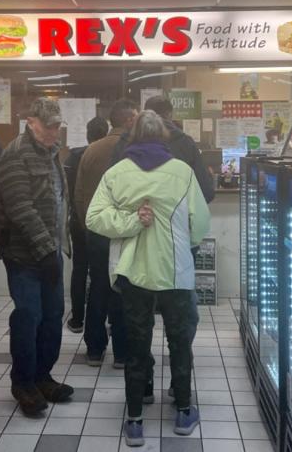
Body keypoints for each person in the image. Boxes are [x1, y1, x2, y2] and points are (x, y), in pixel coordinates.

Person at [85, 110, 211, 447]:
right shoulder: (182, 172)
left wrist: (130, 223)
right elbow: (200, 225)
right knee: (179, 342)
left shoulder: (116, 173)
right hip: (175, 273)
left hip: (132, 271)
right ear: (164, 137)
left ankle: (136, 419)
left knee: (137, 346)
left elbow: (94, 218)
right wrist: (184, 244)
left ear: (133, 135)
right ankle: (184, 411)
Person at [0, 98, 74, 417]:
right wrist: (45, 253)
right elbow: (21, 209)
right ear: (31, 122)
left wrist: (58, 248)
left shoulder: (52, 153)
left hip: (50, 251)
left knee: (53, 316)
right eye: (49, 125)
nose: (55, 131)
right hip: (25, 255)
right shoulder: (15, 155)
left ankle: (43, 376)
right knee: (29, 316)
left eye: (58, 125)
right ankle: (23, 383)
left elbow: (57, 202)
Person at [73, 100, 138, 367]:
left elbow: (78, 195)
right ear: (130, 121)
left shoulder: (91, 150)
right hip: (126, 233)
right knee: (123, 289)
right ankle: (122, 353)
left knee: (98, 287)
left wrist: (88, 226)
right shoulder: (135, 151)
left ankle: (95, 350)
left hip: (97, 231)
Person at [112, 96, 215, 204]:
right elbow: (206, 192)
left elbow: (112, 189)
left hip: (133, 216)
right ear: (170, 114)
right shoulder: (185, 143)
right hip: (174, 216)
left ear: (145, 113)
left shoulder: (125, 142)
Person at [63, 116, 109, 334]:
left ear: (88, 134)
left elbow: (68, 190)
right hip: (104, 221)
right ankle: (109, 319)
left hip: (79, 218)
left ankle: (78, 319)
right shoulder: (112, 154)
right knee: (106, 272)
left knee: (80, 269)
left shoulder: (74, 156)